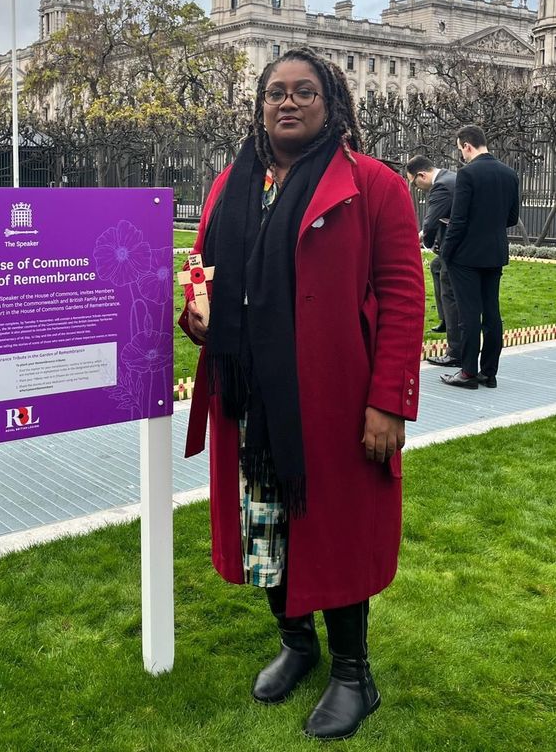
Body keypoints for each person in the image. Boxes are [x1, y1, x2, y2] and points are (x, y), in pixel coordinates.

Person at [179, 48, 425, 741]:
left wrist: (390, 401)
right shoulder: (233, 182)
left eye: (304, 92)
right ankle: (296, 642)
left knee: (335, 532)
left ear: (332, 102)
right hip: (251, 396)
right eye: (274, 92)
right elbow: (205, 270)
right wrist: (196, 313)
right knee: (266, 524)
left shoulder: (372, 184)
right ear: (260, 105)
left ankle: (354, 674)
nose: (287, 103)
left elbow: (405, 297)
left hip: (335, 401)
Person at [439, 125, 520, 389]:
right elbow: (510, 218)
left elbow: (458, 221)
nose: (461, 154)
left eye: (460, 148)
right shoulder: (509, 174)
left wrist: (446, 253)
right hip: (494, 252)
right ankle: (489, 373)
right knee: (492, 314)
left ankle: (468, 373)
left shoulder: (467, 174)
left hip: (466, 256)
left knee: (469, 315)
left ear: (467, 146)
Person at [405, 155, 462, 366]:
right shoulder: (449, 177)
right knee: (437, 267)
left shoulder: (440, 187)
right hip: (459, 244)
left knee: (449, 292)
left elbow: (430, 224)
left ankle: (455, 352)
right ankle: (446, 320)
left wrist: (424, 243)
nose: (417, 187)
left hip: (456, 249)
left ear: (422, 174)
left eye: (414, 182)